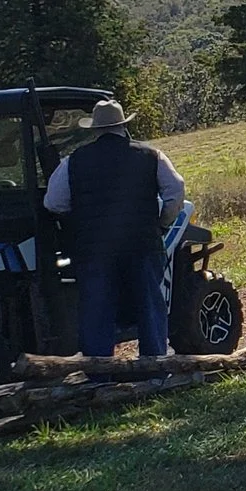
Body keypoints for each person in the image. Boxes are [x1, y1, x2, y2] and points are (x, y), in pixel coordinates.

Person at [43, 100, 186, 359]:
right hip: (142, 243)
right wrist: (162, 223)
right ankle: (154, 368)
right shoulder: (151, 155)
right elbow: (175, 193)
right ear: (123, 125)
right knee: (150, 306)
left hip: (94, 247)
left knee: (97, 311)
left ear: (95, 129)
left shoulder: (73, 161)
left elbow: (53, 202)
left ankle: (98, 374)